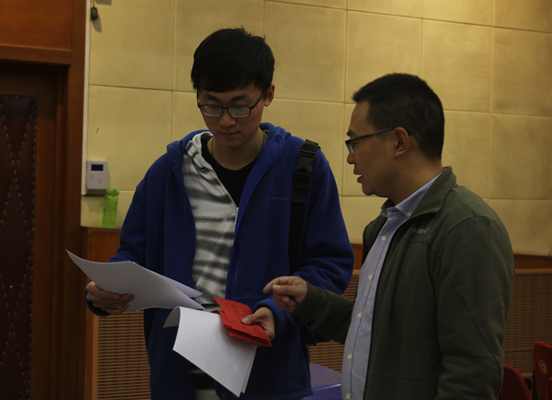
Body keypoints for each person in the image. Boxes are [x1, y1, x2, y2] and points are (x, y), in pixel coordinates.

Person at [84, 28, 353, 400]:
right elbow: (133, 253)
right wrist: (105, 289)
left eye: (240, 106)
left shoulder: (301, 168)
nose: (226, 121)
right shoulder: (169, 172)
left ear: (268, 94)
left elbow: (329, 264)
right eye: (211, 105)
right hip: (178, 374)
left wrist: (276, 310)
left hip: (267, 373)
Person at [256, 73, 514, 400]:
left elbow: (472, 374)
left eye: (355, 142)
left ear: (399, 142)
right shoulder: (384, 226)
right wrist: (310, 301)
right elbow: (376, 332)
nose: (350, 157)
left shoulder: (467, 228)